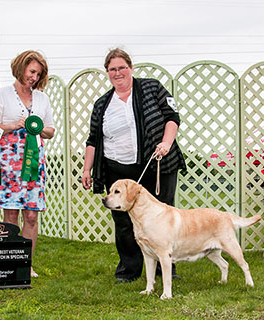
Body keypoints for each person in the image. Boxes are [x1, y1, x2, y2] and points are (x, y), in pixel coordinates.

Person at [82, 48, 186, 283]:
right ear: (107, 72)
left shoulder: (152, 88)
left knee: (162, 217)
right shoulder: (102, 104)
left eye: (122, 67)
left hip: (156, 164)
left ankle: (164, 268)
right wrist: (87, 169)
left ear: (131, 68)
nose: (117, 73)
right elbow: (93, 140)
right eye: (112, 69)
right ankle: (128, 271)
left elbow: (172, 117)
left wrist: (166, 143)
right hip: (117, 169)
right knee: (123, 221)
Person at [0, 50, 55, 278]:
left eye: (38, 74)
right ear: (21, 68)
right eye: (31, 71)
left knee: (31, 215)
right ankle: (9, 260)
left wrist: (38, 127)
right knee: (11, 215)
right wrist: (14, 124)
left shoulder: (42, 99)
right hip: (9, 162)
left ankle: (26, 263)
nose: (34, 78)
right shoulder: (2, 95)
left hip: (35, 163)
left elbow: (50, 129)